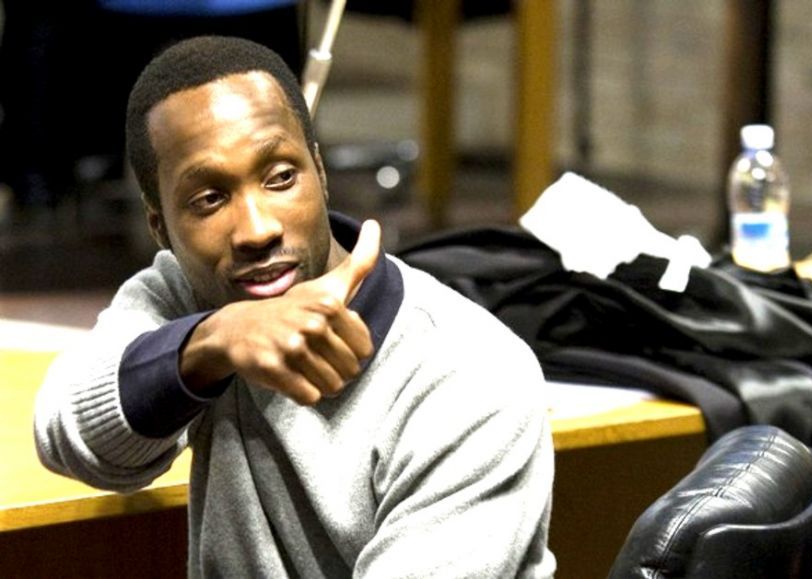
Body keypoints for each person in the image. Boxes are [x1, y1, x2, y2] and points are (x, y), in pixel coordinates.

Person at [34, 36, 556, 578]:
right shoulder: (190, 294)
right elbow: (69, 438)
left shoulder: (469, 374)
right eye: (209, 199)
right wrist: (211, 343)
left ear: (320, 174)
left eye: (281, 177)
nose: (257, 229)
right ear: (160, 227)